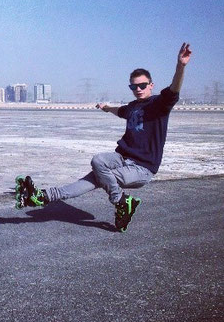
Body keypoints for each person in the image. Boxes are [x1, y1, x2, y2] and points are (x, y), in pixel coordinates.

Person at [15, 43, 192, 232]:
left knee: (96, 179)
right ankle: (43, 196)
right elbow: (121, 111)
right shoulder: (133, 106)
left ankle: (120, 201)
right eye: (134, 86)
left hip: (142, 168)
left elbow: (174, 89)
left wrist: (180, 66)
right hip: (122, 159)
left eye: (142, 85)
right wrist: (106, 108)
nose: (138, 89)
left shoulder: (159, 104)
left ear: (151, 85)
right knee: (98, 162)